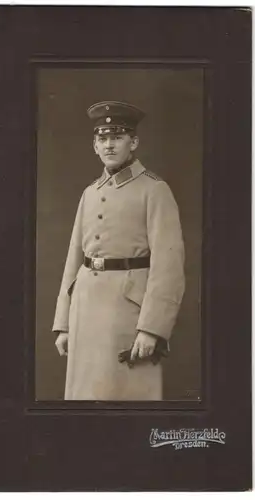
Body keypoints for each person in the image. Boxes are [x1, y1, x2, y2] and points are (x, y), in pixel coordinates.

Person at [52, 100, 185, 400]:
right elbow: (73, 258)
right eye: (103, 138)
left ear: (133, 142)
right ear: (95, 146)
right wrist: (63, 322)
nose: (109, 145)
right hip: (84, 312)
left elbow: (169, 265)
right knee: (85, 401)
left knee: (127, 400)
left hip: (128, 314)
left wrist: (152, 328)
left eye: (117, 137)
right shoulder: (90, 193)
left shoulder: (155, 190)